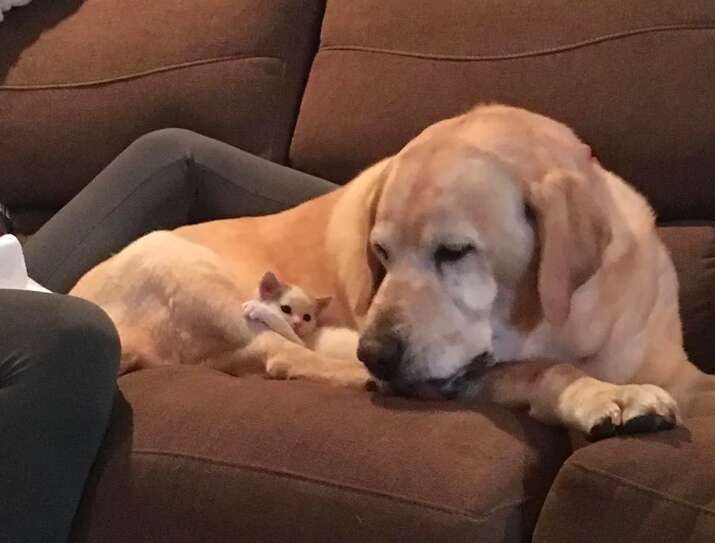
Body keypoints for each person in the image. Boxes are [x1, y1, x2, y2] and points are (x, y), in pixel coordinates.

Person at [3, 128, 338, 542]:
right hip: (15, 289)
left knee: (169, 155)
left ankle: (399, 227)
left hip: (14, 262)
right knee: (174, 160)